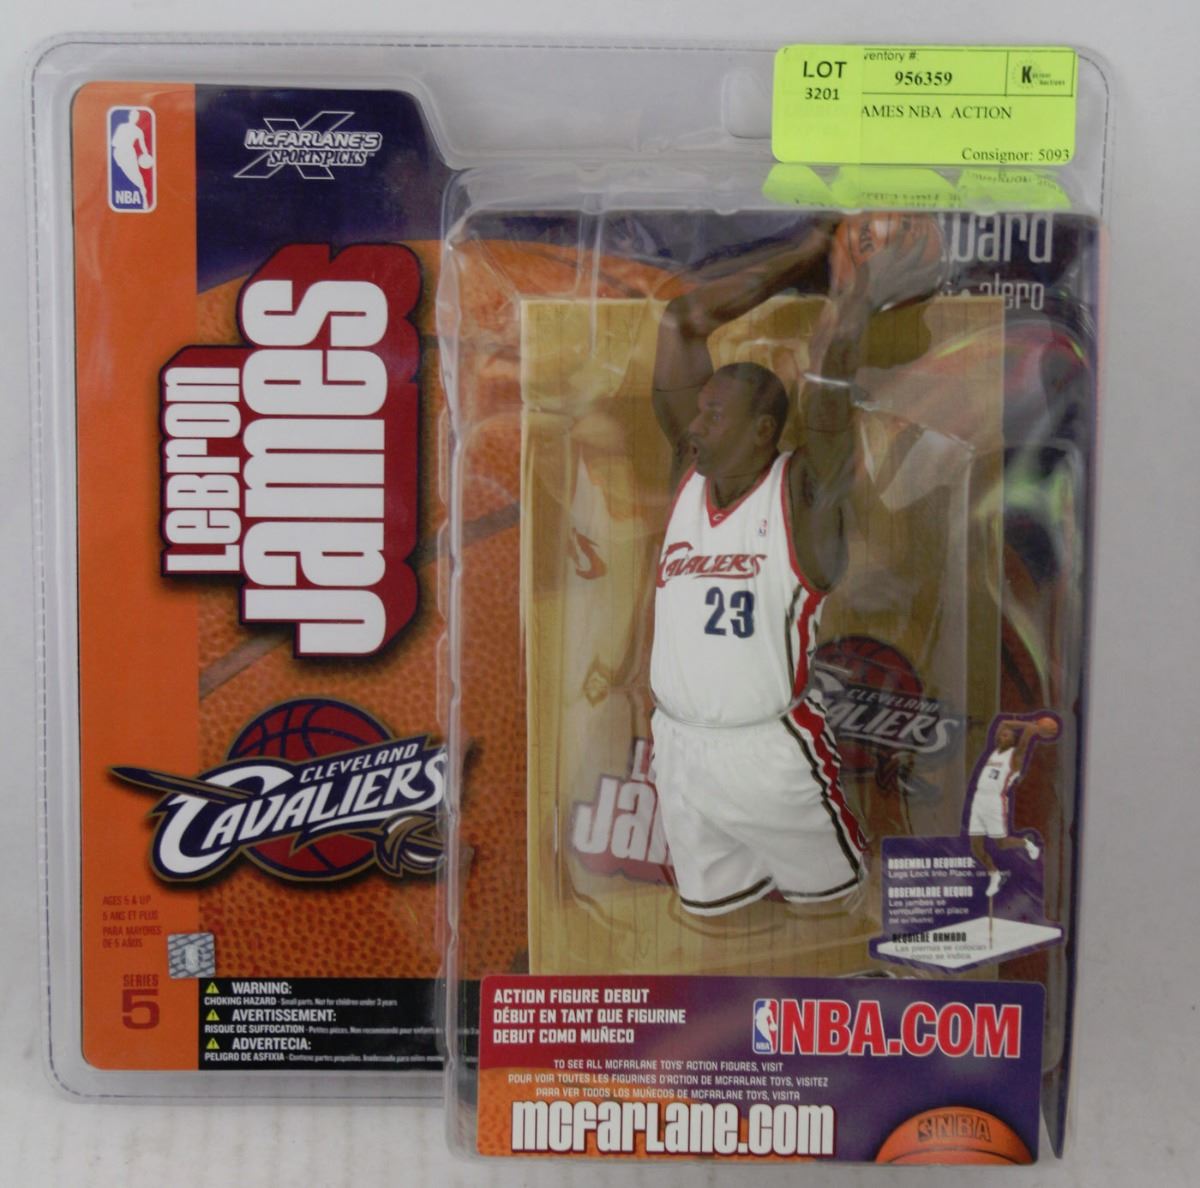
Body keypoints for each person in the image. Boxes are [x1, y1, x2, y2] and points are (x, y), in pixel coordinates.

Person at [648, 220, 940, 915]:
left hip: (769, 753)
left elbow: (829, 394)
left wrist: (857, 294)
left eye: (714, 415)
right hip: (678, 747)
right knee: (715, 925)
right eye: (700, 411)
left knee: (835, 912)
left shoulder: (803, 492)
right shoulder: (688, 476)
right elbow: (681, 321)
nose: (696, 424)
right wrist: (803, 253)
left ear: (761, 431)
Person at [964, 718, 1052, 898]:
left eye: (1006, 736)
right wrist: (1024, 724)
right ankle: (995, 875)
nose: (1001, 737)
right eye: (1001, 735)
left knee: (1001, 843)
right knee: (976, 847)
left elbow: (1026, 738)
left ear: (1013, 741)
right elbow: (1004, 723)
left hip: (995, 802)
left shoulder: (1015, 757)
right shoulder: (995, 751)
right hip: (978, 800)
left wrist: (1033, 728)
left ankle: (1026, 843)